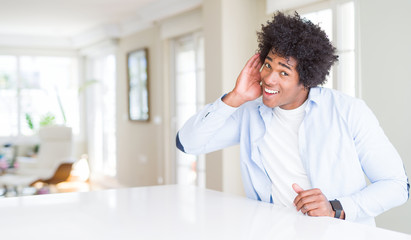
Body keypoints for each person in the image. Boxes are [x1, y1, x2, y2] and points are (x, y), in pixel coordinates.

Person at [176, 11, 409, 225]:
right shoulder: (249, 113)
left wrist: (335, 208)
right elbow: (188, 143)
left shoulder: (348, 111)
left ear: (307, 79)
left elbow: (396, 186)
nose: (269, 79)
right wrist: (235, 97)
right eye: (267, 65)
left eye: (284, 72)